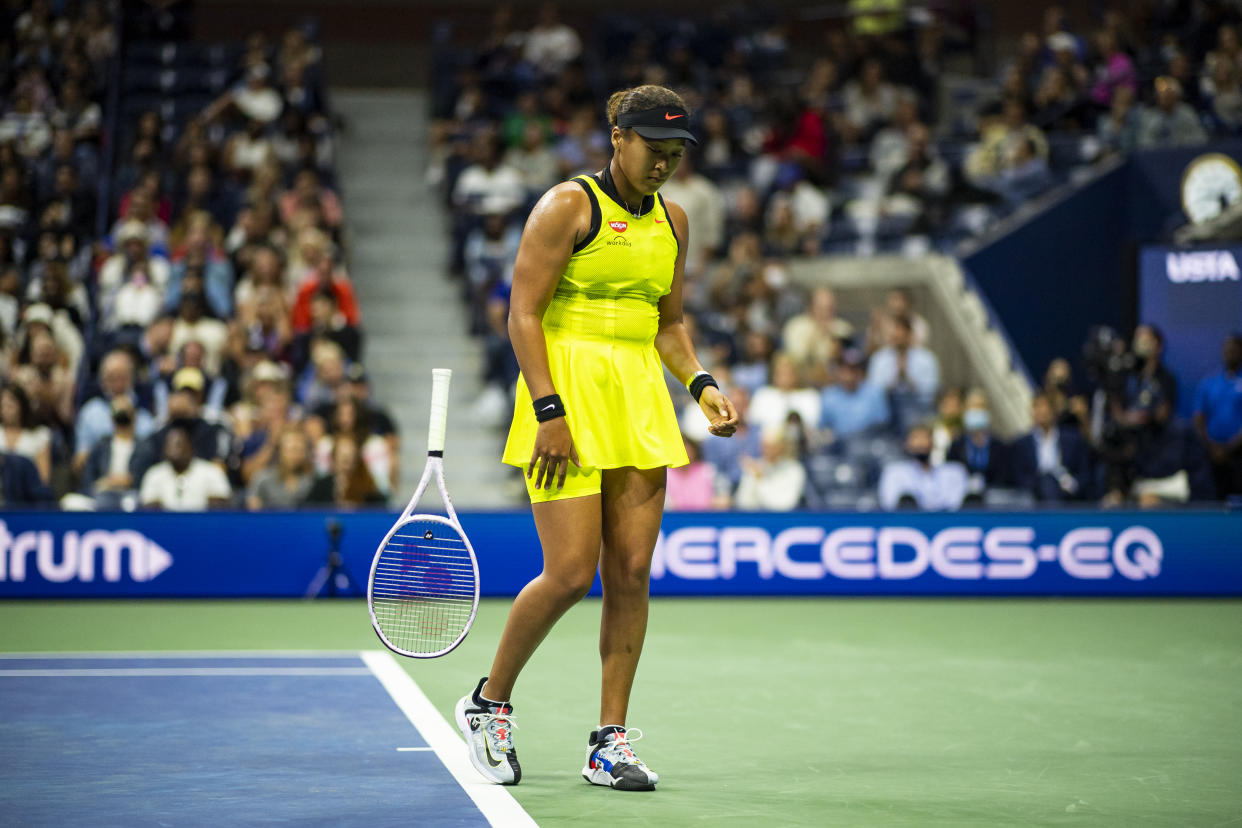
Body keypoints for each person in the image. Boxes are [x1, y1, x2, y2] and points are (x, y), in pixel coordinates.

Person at [458, 85, 738, 793]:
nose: (664, 165)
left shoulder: (673, 221)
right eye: (654, 149)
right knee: (570, 573)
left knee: (632, 573)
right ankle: (488, 705)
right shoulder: (566, 206)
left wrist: (702, 385)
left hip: (638, 401)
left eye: (675, 154)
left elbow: (668, 323)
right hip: (565, 400)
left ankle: (608, 744)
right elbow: (523, 314)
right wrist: (550, 410)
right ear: (619, 137)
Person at [1011, 392, 1090, 502]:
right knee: (1047, 482)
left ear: (1053, 411)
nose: (1041, 411)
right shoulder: (1022, 444)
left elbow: (1084, 473)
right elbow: (1019, 476)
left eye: (1045, 406)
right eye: (1036, 406)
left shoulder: (1073, 439)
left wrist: (1073, 484)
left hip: (1067, 494)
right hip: (1035, 494)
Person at [138, 424, 232, 510]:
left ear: (191, 447)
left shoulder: (211, 472)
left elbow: (221, 506)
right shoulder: (154, 474)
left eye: (179, 444)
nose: (175, 450)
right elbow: (149, 510)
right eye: (170, 445)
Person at [1194, 333, 1242, 499]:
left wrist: (1230, 447)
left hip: (1238, 453)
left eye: (1235, 349)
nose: (1230, 353)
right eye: (1227, 349)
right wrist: (1212, 447)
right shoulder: (1209, 382)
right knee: (1212, 497)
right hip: (1211, 453)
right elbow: (1199, 418)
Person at [878, 424, 968, 511]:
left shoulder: (954, 472)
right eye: (916, 438)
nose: (921, 443)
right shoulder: (894, 472)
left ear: (933, 444)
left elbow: (958, 505)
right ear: (907, 445)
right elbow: (890, 504)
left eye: (925, 438)